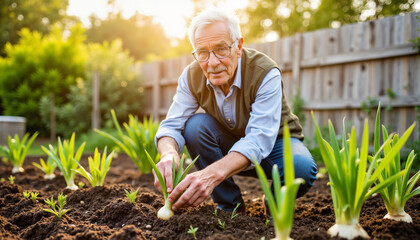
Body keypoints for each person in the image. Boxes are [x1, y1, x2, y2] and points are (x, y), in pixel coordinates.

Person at [153, 8, 317, 213]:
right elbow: (171, 125)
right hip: (229, 144)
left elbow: (259, 138)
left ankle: (274, 205)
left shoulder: (264, 72)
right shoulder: (191, 76)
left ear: (238, 46)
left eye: (221, 49)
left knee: (300, 169)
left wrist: (210, 174)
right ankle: (230, 206)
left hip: (276, 145)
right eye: (202, 52)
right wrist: (168, 154)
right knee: (195, 127)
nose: (212, 63)